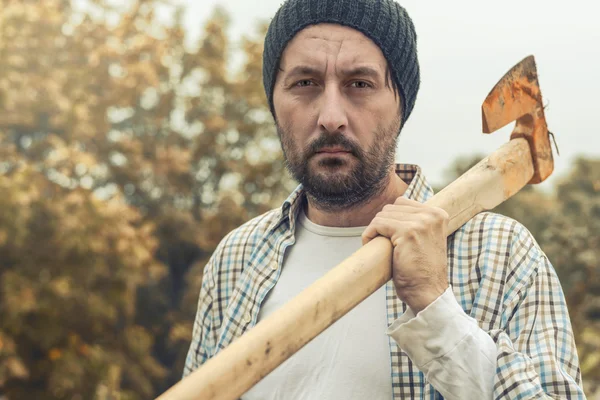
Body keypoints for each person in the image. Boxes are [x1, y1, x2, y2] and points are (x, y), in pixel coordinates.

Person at [183, 0, 585, 398]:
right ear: (274, 102)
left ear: (401, 107)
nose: (331, 116)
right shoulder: (235, 258)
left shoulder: (501, 255)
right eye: (305, 83)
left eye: (360, 84)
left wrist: (436, 308)